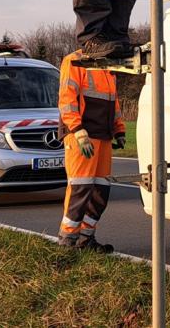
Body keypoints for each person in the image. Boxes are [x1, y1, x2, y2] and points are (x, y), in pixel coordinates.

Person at [56, 49, 128, 250]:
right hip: (82, 136)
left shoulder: (107, 64)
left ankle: (85, 239)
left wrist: (119, 129)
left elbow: (113, 101)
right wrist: (78, 130)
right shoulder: (74, 61)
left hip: (103, 136)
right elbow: (66, 100)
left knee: (100, 191)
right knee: (80, 188)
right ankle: (67, 241)